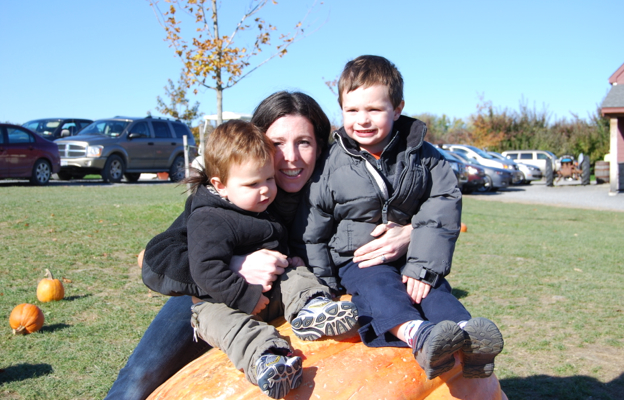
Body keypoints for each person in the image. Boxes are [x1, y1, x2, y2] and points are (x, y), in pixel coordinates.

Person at [104, 91, 413, 400]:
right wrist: (234, 264)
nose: (291, 156)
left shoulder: (340, 189)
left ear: (319, 146)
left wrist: (411, 232)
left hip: (292, 296)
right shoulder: (232, 197)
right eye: (277, 144)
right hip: (214, 295)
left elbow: (422, 210)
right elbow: (153, 258)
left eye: (303, 142)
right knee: (141, 375)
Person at [291, 55, 504, 381]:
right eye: (352, 110)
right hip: (357, 259)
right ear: (341, 109)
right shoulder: (331, 162)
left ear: (397, 108)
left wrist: (423, 266)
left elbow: (443, 202)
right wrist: (325, 285)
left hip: (411, 256)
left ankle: (470, 336)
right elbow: (313, 225)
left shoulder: (423, 156)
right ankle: (417, 334)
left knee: (432, 290)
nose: (362, 120)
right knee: (379, 288)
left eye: (374, 110)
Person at [141, 119, 358, 398]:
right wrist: (242, 284)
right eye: (254, 183)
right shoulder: (209, 218)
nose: (266, 189)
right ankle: (266, 359)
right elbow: (200, 268)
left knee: (297, 274)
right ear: (220, 186)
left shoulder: (258, 203)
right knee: (230, 327)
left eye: (268, 179)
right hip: (219, 302)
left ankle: (311, 308)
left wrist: (288, 261)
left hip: (268, 292)